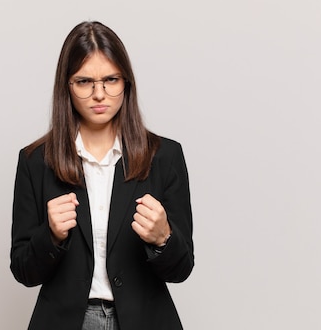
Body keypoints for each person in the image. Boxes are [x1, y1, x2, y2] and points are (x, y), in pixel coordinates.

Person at [10, 21, 194, 330]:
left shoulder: (165, 157)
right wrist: (50, 235)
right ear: (66, 86)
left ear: (126, 82)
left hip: (144, 320)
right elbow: (23, 271)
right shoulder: (36, 161)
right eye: (84, 82)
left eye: (111, 80)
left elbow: (182, 268)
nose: (99, 94)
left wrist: (164, 238)